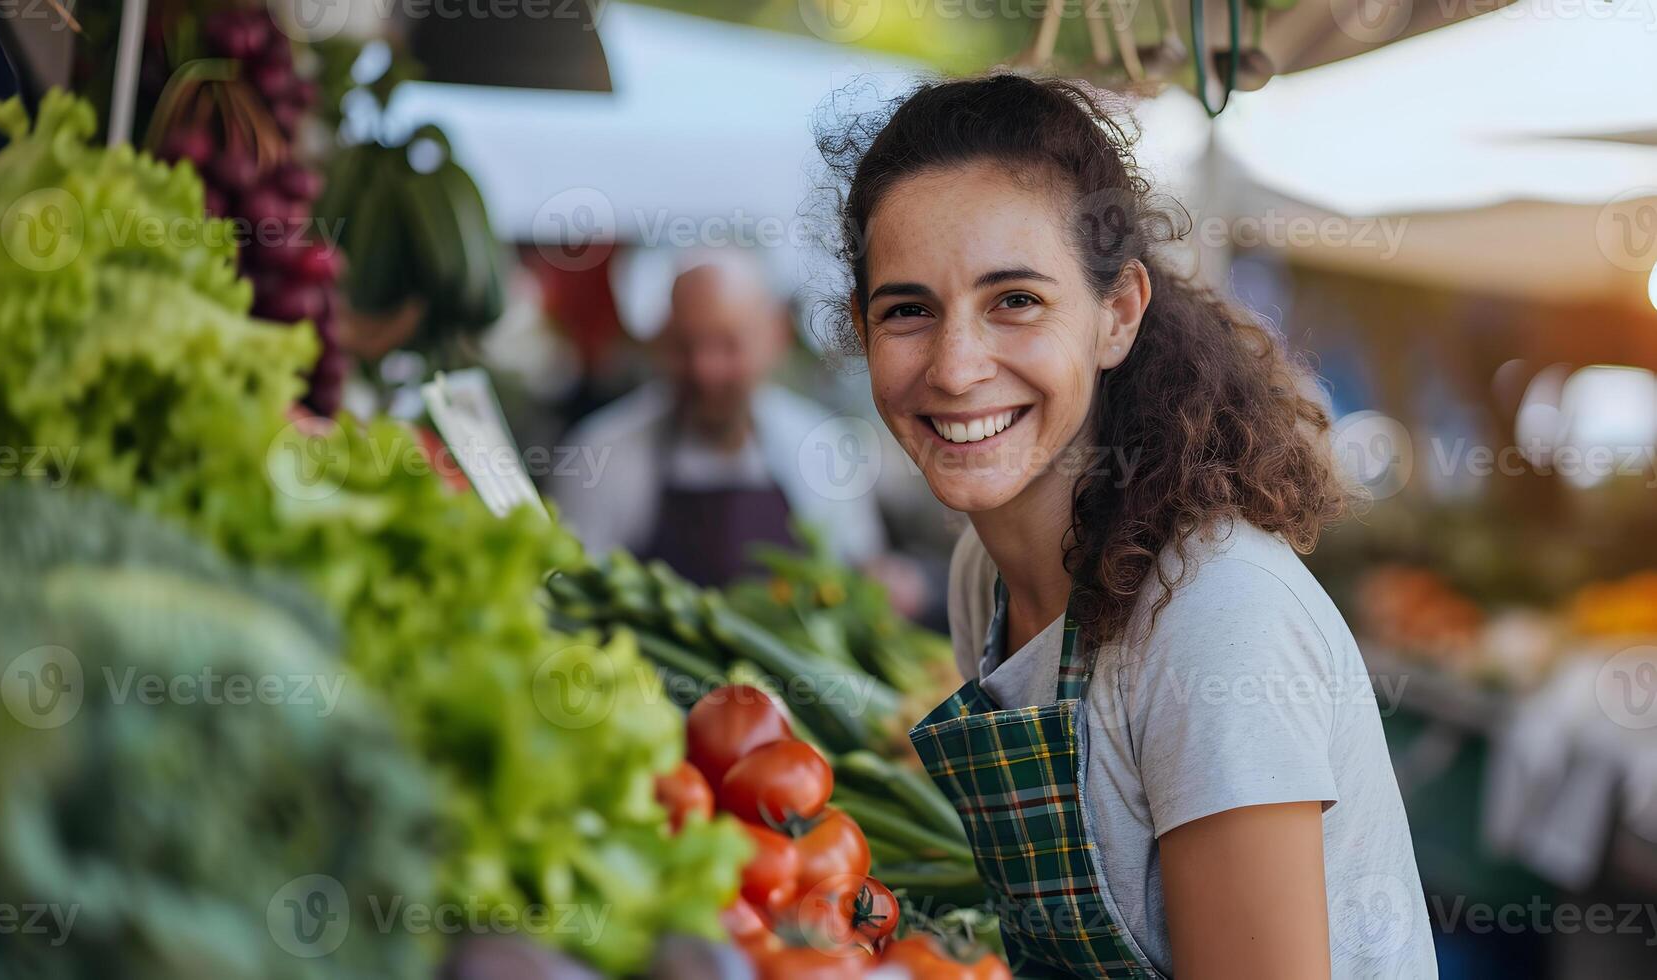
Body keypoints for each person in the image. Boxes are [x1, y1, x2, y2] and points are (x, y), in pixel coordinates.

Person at [825, 73, 1436, 979]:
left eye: (1015, 301)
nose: (954, 369)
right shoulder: (981, 573)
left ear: (1115, 315)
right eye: (908, 310)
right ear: (861, 330)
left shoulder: (1214, 618)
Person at [549, 252, 889, 589]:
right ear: (661, 341)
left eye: (728, 345)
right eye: (685, 345)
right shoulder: (600, 454)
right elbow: (570, 589)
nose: (705, 370)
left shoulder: (822, 448)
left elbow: (861, 580)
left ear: (775, 338)